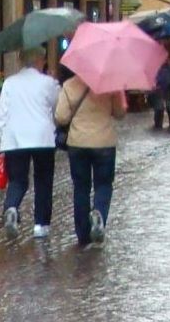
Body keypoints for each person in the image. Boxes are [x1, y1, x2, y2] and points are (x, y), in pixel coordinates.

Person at [53, 56, 124, 248]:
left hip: (78, 143)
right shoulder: (110, 84)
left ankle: (83, 235)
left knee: (81, 187)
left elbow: (61, 117)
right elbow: (120, 113)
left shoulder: (69, 85)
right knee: (104, 184)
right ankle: (99, 213)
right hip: (104, 142)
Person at [0, 49, 61, 240]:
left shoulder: (10, 83)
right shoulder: (48, 83)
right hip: (42, 137)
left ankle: (12, 207)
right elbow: (58, 108)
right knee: (43, 180)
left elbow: (1, 116)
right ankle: (41, 225)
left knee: (18, 180)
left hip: (15, 138)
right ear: (40, 60)